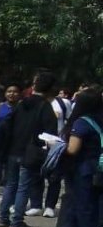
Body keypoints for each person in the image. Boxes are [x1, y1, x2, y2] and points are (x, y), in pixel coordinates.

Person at [48, 88, 103, 227]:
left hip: (83, 173)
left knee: (86, 214)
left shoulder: (82, 122)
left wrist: (55, 145)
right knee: (74, 210)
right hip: (97, 171)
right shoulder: (100, 120)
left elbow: (72, 149)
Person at [0, 73, 59, 227]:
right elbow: (51, 135)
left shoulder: (21, 104)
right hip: (31, 152)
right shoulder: (45, 107)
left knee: (11, 184)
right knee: (23, 187)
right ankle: (17, 220)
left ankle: (3, 217)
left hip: (13, 149)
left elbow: (8, 125)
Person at [28, 85, 72, 218]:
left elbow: (69, 120)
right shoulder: (36, 103)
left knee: (54, 177)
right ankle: (36, 204)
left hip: (56, 145)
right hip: (37, 143)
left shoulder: (63, 103)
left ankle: (50, 206)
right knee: (36, 175)